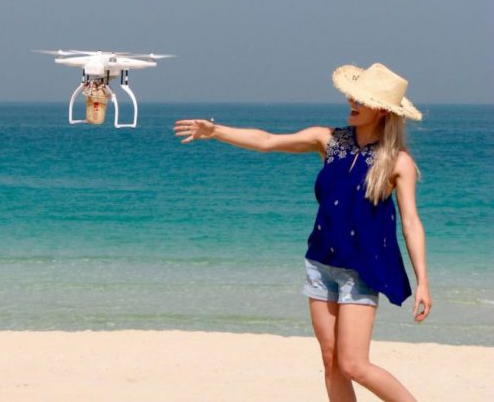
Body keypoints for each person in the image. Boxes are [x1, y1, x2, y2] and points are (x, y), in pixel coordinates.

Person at [173, 63, 431, 402]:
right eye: (353, 96)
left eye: (362, 100)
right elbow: (267, 141)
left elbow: (411, 223)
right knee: (331, 361)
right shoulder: (328, 140)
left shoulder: (398, 162)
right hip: (320, 264)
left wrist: (423, 281)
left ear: (382, 110)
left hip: (361, 271)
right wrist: (215, 131)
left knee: (354, 364)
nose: (352, 102)